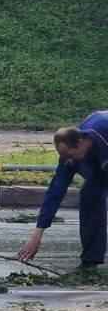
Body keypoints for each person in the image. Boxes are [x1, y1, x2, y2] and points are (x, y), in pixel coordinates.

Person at [17, 110, 108, 269]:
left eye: (71, 156)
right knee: (89, 196)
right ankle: (91, 260)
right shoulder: (70, 155)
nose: (68, 161)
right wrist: (38, 233)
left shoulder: (102, 138)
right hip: (98, 164)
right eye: (64, 157)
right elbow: (55, 192)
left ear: (81, 142)